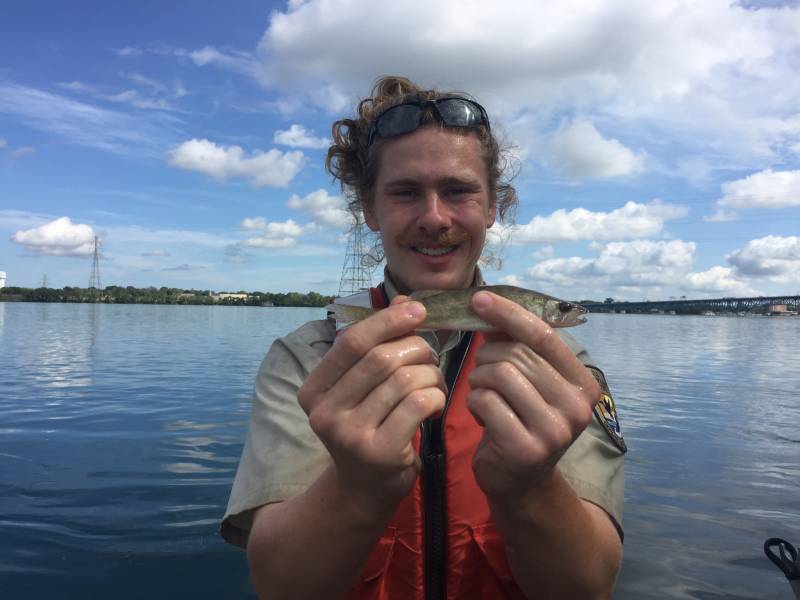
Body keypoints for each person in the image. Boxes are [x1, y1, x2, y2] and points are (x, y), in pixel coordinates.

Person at [221, 76, 626, 599]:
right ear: (369, 209)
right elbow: (280, 588)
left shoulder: (565, 367)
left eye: (458, 191)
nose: (435, 218)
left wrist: (531, 487)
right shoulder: (307, 360)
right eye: (406, 192)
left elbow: (588, 589)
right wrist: (357, 489)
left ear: (492, 208)